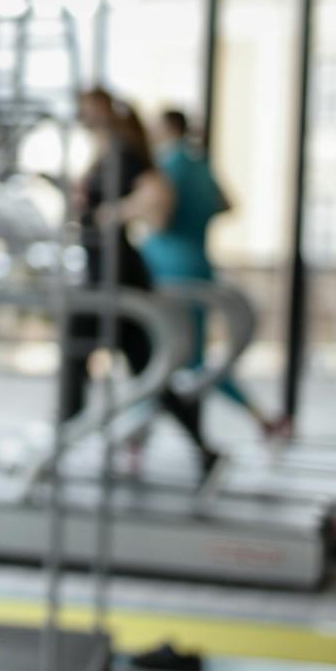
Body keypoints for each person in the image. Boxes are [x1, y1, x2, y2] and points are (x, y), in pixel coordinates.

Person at [64, 88, 222, 471]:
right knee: (148, 368)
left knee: (77, 342)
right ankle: (205, 450)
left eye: (88, 109)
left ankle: (65, 431)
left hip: (117, 276)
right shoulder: (106, 154)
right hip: (106, 272)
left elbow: (158, 197)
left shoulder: (124, 154)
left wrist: (113, 214)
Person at [141, 109, 288, 438]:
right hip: (197, 262)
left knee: (168, 354)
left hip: (169, 266)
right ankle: (260, 418)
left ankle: (137, 430)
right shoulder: (199, 164)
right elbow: (226, 204)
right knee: (190, 356)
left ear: (168, 128)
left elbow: (160, 217)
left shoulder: (168, 166)